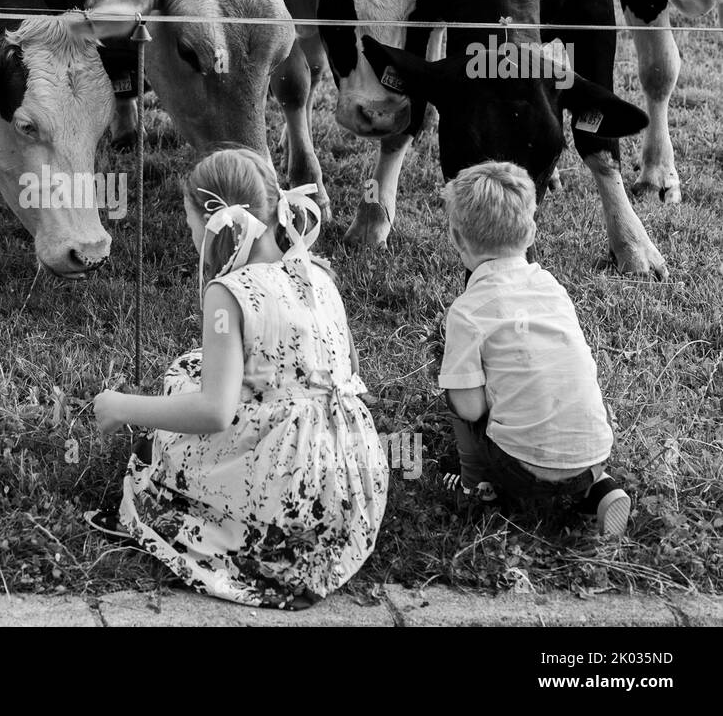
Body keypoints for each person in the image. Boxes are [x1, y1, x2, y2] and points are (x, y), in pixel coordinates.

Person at [92, 148, 388, 609]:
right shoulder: (318, 274)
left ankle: (224, 529)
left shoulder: (228, 292)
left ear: (215, 225)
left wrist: (122, 408)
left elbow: (215, 411)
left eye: (192, 226)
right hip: (349, 491)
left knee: (176, 410)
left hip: (284, 486)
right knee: (194, 367)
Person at [439, 161, 631, 537]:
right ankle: (600, 488)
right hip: (593, 451)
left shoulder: (467, 312)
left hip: (521, 469)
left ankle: (477, 488)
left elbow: (470, 408)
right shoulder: (552, 288)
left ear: (458, 239)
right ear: (531, 232)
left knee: (457, 388)